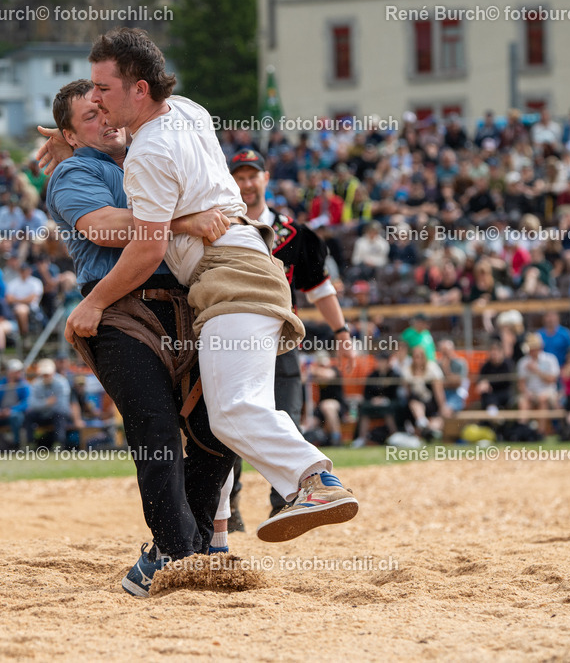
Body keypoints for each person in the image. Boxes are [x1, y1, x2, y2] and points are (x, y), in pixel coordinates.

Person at [41, 29, 357, 556]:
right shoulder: (185, 110)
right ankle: (202, 544)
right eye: (87, 108)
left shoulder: (143, 156)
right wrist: (77, 139)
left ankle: (310, 482)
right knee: (219, 417)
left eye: (103, 92)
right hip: (232, 272)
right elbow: (108, 222)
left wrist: (92, 303)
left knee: (229, 414)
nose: (97, 102)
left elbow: (145, 244)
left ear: (138, 90)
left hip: (220, 278)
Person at [44, 78, 239, 594]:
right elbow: (106, 227)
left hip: (186, 303)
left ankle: (180, 550)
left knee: (219, 424)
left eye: (105, 108)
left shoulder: (153, 147)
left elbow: (178, 106)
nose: (104, 120)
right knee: (154, 427)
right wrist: (184, 221)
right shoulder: (74, 169)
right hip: (115, 310)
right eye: (90, 117)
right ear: (70, 133)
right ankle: (179, 553)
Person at [224, 147, 357, 518]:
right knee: (228, 421)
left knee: (287, 416)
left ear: (266, 178)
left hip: (281, 342)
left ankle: (285, 503)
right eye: (239, 177)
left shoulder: (297, 234)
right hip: (231, 341)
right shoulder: (220, 227)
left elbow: (321, 290)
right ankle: (228, 506)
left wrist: (342, 333)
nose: (247, 184)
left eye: (253, 176)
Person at [401, 345, 451, 438]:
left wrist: (442, 406)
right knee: (414, 402)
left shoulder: (432, 368)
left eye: (420, 356)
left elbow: (438, 391)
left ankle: (427, 429)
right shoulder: (408, 370)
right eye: (415, 356)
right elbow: (407, 391)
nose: (418, 359)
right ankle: (422, 423)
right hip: (415, 404)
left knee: (439, 418)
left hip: (431, 401)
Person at [517, 333, 561, 435]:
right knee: (523, 401)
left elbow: (552, 380)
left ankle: (540, 433)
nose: (532, 351)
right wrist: (527, 393)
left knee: (542, 399)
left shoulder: (550, 359)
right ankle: (522, 431)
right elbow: (521, 384)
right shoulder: (523, 362)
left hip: (549, 392)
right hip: (531, 392)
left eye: (534, 348)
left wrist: (536, 370)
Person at [0, 359, 29, 449]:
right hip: (0, 413)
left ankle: (16, 445)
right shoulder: (0, 384)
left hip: (14, 413)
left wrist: (12, 410)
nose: (19, 374)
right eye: (16, 372)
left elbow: (27, 402)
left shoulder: (23, 385)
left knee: (15, 417)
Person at [355, 352, 401, 443]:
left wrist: (384, 398)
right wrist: (374, 399)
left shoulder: (394, 375)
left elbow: (395, 393)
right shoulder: (372, 375)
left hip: (390, 403)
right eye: (379, 361)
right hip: (374, 403)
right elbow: (367, 394)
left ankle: (395, 436)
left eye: (383, 361)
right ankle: (362, 438)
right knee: (364, 409)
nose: (380, 363)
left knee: (388, 410)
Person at [23, 359, 71, 448]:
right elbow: (32, 404)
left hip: (56, 414)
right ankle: (30, 443)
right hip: (43, 414)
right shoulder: (36, 383)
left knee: (60, 414)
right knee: (29, 414)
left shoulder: (61, 382)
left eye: (48, 374)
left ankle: (59, 443)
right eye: (44, 374)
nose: (46, 376)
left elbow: (61, 405)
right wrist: (47, 403)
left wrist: (42, 405)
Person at [475, 340, 515, 410]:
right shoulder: (486, 366)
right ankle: (492, 414)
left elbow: (506, 380)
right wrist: (481, 384)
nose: (493, 355)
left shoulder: (508, 364)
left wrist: (489, 384)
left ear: (501, 352)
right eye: (492, 353)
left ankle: (494, 413)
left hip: (504, 393)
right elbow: (480, 379)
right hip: (490, 394)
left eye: (496, 353)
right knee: (486, 395)